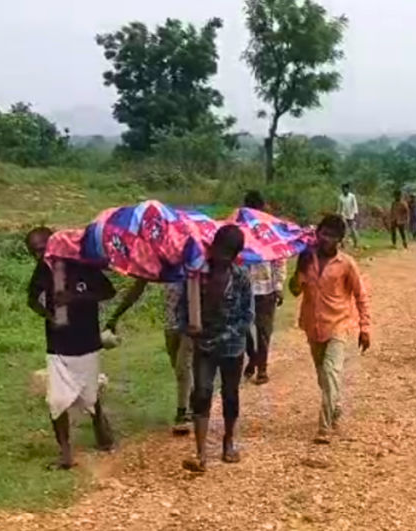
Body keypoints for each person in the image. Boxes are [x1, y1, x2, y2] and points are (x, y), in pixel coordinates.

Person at [26, 227, 117, 469]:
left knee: (89, 394)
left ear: (55, 243)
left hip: (86, 341)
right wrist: (48, 315)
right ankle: (66, 454)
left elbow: (109, 291)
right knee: (56, 401)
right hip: (57, 344)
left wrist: (74, 299)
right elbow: (31, 299)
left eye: (43, 248)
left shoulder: (81, 264)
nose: (40, 255)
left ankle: (102, 429)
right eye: (34, 252)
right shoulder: (43, 269)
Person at [289, 215, 372, 444]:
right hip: (312, 325)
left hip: (339, 324)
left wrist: (365, 327)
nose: (326, 239)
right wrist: (299, 270)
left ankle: (324, 427)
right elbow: (295, 290)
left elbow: (360, 295)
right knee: (322, 375)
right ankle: (334, 406)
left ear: (339, 239)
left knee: (331, 372)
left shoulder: (346, 264)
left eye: (332, 236)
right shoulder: (307, 259)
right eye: (323, 233)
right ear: (317, 234)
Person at [180, 225, 253, 472]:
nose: (222, 256)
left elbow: (246, 316)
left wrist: (222, 337)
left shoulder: (241, 277)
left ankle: (229, 440)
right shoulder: (196, 275)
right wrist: (188, 327)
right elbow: (184, 308)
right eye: (220, 249)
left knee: (230, 394)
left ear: (235, 254)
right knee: (202, 392)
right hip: (203, 345)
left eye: (228, 252)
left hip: (232, 347)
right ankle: (200, 452)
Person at [105, 278, 192, 435]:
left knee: (182, 367)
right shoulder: (162, 267)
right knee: (179, 368)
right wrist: (115, 316)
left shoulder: (193, 262)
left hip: (191, 326)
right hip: (170, 324)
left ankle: (182, 413)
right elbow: (137, 288)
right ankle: (194, 401)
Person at [242, 191, 286, 385]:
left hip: (264, 286)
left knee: (261, 329)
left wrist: (278, 285)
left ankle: (262, 367)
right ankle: (255, 358)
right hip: (248, 287)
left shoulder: (270, 228)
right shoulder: (241, 228)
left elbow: (279, 258)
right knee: (246, 329)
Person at [337, 183, 360, 249]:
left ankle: (356, 243)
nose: (344, 190)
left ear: (348, 189)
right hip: (343, 215)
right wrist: (338, 214)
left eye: (346, 189)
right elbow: (339, 207)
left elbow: (355, 205)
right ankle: (343, 244)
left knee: (353, 229)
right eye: (343, 189)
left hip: (351, 215)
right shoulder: (340, 197)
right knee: (344, 230)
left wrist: (355, 214)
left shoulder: (352, 196)